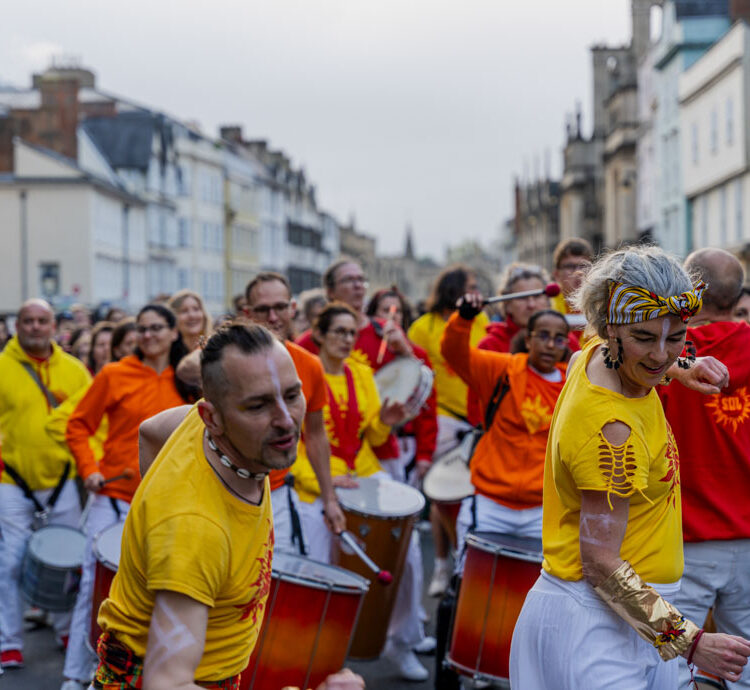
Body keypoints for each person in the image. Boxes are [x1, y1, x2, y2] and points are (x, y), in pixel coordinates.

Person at [510, 245, 750, 689]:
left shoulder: (597, 357)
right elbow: (599, 562)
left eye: (676, 335)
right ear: (608, 326)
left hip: (630, 620)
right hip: (597, 627)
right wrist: (691, 643)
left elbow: (644, 350)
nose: (660, 354)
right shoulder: (611, 429)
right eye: (644, 338)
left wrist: (684, 366)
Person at [91, 323, 304, 688]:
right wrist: (168, 519)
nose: (286, 420)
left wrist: (155, 507)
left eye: (291, 394)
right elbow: (167, 683)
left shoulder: (200, 427)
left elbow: (149, 430)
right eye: (258, 405)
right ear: (213, 417)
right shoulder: (193, 530)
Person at [293, 303, 431, 681]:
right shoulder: (303, 374)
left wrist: (385, 424)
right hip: (317, 483)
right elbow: (292, 444)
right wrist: (320, 483)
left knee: (410, 556)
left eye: (351, 333)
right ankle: (317, 658)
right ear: (318, 334)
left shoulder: (361, 373)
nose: (346, 339)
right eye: (338, 331)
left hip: (365, 474)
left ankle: (402, 642)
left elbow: (371, 434)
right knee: (318, 565)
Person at [60, 304, 189, 689]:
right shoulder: (115, 374)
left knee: (158, 595)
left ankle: (145, 677)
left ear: (172, 331)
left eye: (156, 328)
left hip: (166, 506)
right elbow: (78, 425)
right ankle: (74, 675)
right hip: (113, 498)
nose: (147, 335)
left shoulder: (186, 379)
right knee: (92, 590)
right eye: (142, 329)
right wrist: (89, 469)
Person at [659, 248, 750, 688]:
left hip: (684, 538)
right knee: (745, 661)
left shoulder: (663, 352)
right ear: (737, 298)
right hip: (747, 536)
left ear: (691, 292)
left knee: (671, 661)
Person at [0, 299, 91, 669]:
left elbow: (89, 423)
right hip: (10, 480)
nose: (36, 327)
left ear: (55, 325)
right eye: (28, 321)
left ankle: (66, 629)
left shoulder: (75, 371)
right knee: (11, 562)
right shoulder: (2, 367)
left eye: (42, 321)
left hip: (63, 482)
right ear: (17, 325)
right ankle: (9, 641)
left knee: (68, 563)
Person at [441, 307, 569, 558]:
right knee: (471, 586)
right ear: (528, 338)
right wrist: (463, 318)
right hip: (490, 505)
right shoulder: (502, 370)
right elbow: (453, 354)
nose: (550, 345)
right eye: (542, 336)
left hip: (541, 511)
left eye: (558, 338)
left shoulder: (573, 384)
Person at [243, 272, 345, 549]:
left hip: (277, 492)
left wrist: (330, 499)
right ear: (247, 313)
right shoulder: (230, 362)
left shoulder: (309, 365)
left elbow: (315, 435)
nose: (273, 317)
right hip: (230, 489)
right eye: (263, 309)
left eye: (280, 307)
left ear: (293, 309)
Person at [407, 265, 488, 597]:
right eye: (469, 286)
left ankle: (464, 561)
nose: (476, 290)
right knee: (442, 497)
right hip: (443, 419)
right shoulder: (422, 328)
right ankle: (442, 563)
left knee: (471, 496)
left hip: (476, 419)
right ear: (454, 290)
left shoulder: (481, 321)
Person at [477, 263, 552, 353]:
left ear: (548, 301)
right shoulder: (490, 346)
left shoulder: (565, 341)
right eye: (522, 297)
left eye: (537, 296)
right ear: (507, 304)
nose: (531, 305)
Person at [550, 237, 594, 346]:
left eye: (583, 266)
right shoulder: (546, 305)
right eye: (570, 266)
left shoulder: (602, 305)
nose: (578, 272)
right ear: (556, 274)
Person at [169, 289, 212, 353]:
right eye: (184, 311)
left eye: (196, 309)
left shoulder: (214, 349)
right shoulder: (165, 353)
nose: (192, 315)